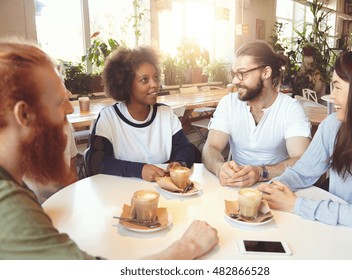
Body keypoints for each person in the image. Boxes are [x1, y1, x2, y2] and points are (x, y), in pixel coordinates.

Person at [0, 40, 218, 259]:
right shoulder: (9, 208)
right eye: (59, 102)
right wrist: (188, 247)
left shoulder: (18, 190)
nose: (70, 108)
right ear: (23, 115)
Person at [258, 49, 352, 259]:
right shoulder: (333, 126)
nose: (330, 96)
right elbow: (302, 172)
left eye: (337, 87)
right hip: (337, 228)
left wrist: (296, 205)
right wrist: (272, 188)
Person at [202, 40, 311, 187]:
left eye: (242, 73)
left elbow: (301, 159)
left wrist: (261, 172)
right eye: (234, 74)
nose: (235, 81)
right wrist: (219, 167)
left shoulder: (290, 109)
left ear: (266, 72)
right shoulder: (228, 104)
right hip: (236, 186)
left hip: (276, 186)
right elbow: (211, 147)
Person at [86, 46, 196, 181]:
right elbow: (96, 163)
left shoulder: (166, 114)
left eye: (155, 78)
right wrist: (140, 170)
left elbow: (186, 148)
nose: (154, 84)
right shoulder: (109, 118)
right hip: (120, 192)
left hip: (163, 192)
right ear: (126, 84)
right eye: (145, 80)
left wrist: (180, 162)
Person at [24, 122, 78, 204]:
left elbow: (72, 161)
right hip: (34, 203)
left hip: (64, 198)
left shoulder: (66, 128)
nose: (70, 109)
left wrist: (73, 194)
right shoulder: (21, 137)